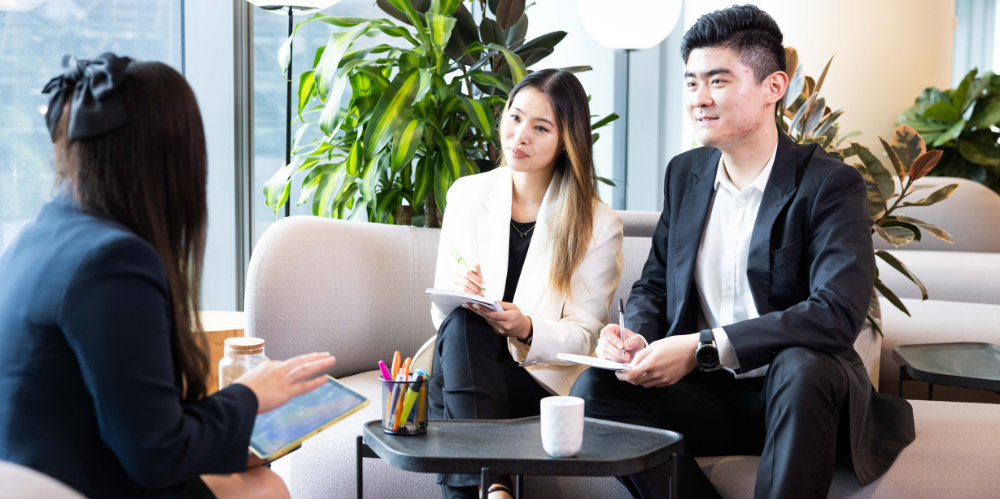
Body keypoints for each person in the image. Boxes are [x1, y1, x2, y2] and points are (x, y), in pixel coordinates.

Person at [570, 6, 915, 499]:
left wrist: (701, 346)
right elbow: (655, 281)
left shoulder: (830, 185)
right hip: (713, 399)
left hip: (803, 398)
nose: (699, 99)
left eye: (718, 81)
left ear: (773, 87)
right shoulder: (685, 173)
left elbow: (836, 314)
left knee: (802, 365)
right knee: (593, 393)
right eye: (691, 83)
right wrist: (637, 338)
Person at [0, 53, 336, 499]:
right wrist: (251, 395)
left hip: (35, 476)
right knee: (266, 488)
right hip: (75, 482)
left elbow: (139, 424)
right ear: (170, 158)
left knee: (255, 473)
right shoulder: (112, 261)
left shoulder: (38, 235)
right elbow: (156, 453)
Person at [425, 68, 624, 499]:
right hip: (467, 359)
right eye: (514, 118)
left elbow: (588, 335)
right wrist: (460, 290)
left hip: (536, 380)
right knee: (461, 326)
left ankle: (489, 484)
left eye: (540, 127)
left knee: (451, 398)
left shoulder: (597, 223)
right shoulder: (467, 194)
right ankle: (496, 488)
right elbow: (440, 312)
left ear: (567, 139)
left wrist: (527, 328)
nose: (520, 135)